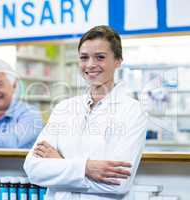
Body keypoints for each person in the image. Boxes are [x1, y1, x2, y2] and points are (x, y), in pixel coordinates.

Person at [24, 25, 147, 199]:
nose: (90, 64)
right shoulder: (64, 108)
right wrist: (86, 168)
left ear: (118, 60)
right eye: (84, 57)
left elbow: (117, 184)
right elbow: (33, 170)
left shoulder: (133, 111)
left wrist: (59, 164)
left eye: (100, 57)